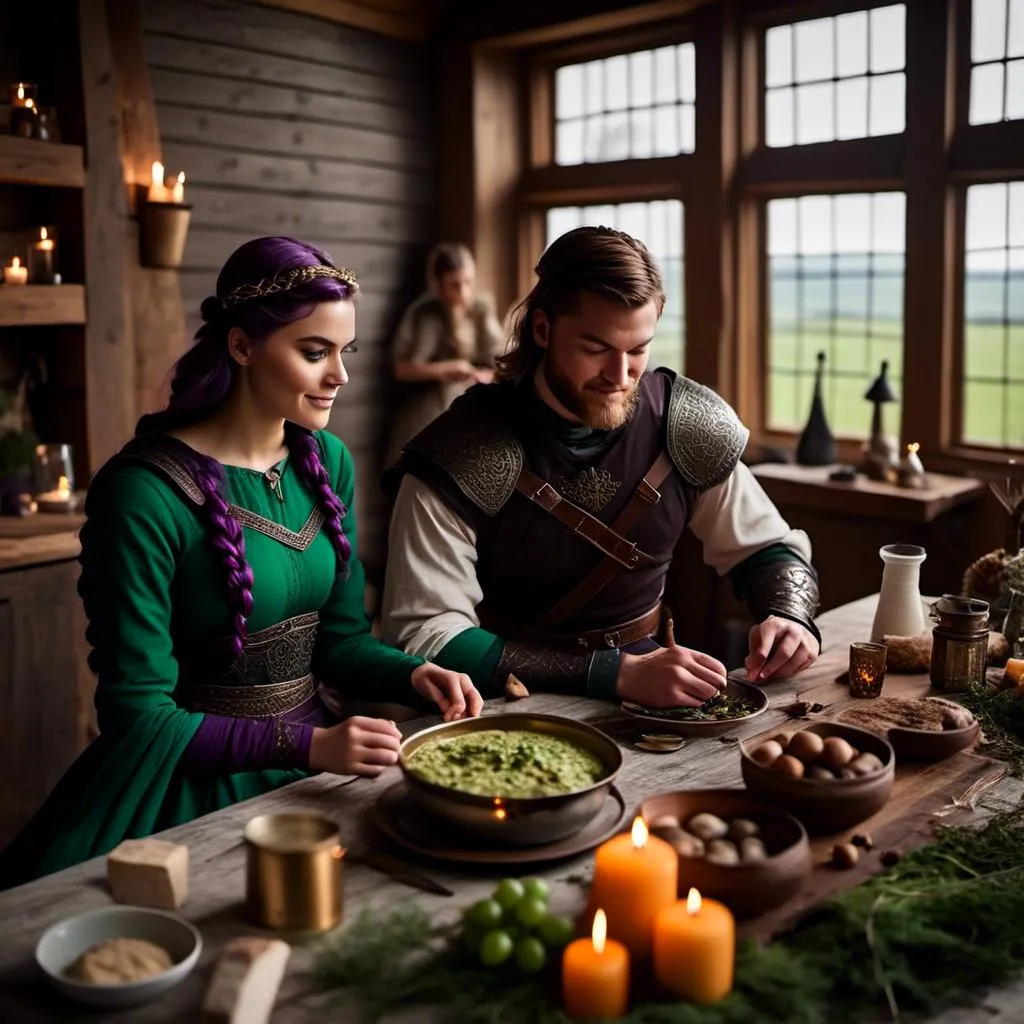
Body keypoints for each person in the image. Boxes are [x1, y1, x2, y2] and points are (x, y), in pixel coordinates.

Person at [0, 236, 481, 889]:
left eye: (346, 352)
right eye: (315, 353)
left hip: (325, 759)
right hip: (188, 780)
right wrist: (310, 747)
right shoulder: (144, 494)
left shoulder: (326, 461)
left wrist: (416, 672)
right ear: (241, 346)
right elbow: (140, 717)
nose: (340, 376)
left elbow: (337, 643)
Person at [381, 226, 821, 707]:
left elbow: (764, 546)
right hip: (505, 700)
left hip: (653, 695)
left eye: (637, 350)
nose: (620, 376)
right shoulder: (459, 451)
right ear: (543, 329)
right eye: (596, 349)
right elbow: (427, 633)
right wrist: (612, 673)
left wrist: (789, 613)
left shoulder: (683, 424)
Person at [384, 243, 505, 468]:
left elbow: (499, 358)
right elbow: (402, 369)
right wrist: (449, 368)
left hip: (474, 399)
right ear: (439, 285)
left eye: (468, 283)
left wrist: (485, 375)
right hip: (432, 404)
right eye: (455, 286)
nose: (463, 292)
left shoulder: (481, 309)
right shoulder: (425, 314)